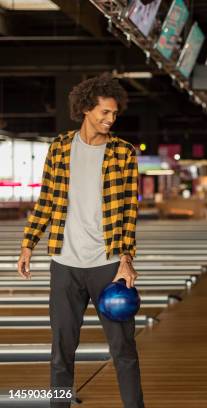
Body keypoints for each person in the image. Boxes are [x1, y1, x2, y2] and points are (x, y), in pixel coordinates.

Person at [17, 73, 144, 408]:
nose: (110, 119)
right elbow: (46, 200)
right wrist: (29, 243)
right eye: (105, 112)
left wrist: (126, 259)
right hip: (65, 266)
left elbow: (129, 210)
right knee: (61, 352)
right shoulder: (59, 148)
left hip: (107, 267)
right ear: (87, 109)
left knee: (124, 350)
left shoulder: (123, 153)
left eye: (114, 114)